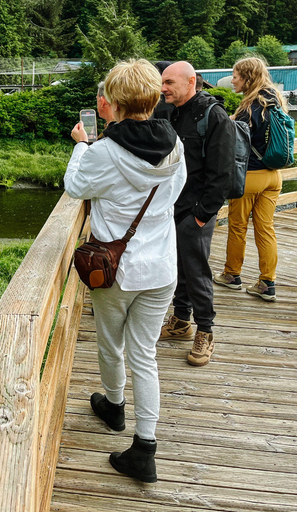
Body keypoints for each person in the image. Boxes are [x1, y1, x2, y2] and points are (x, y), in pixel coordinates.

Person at [65, 59, 187, 483]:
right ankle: (145, 448)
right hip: (162, 268)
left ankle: (114, 408)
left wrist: (81, 145)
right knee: (145, 355)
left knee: (109, 345)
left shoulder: (104, 151)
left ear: (114, 102)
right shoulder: (175, 144)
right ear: (155, 98)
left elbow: (76, 187)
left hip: (116, 271)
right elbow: (175, 192)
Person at [156, 61, 236, 366]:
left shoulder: (213, 116)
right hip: (172, 206)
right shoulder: (171, 111)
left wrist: (202, 215)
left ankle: (205, 331)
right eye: (163, 82)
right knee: (178, 266)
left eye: (170, 83)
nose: (163, 88)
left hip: (197, 210)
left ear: (191, 82)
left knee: (197, 269)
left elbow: (222, 173)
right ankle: (181, 321)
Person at [213, 57, 286, 301]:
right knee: (266, 229)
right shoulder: (275, 101)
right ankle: (267, 283)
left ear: (247, 77)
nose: (232, 80)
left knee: (238, 227)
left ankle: (232, 275)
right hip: (274, 176)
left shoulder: (249, 107)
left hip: (251, 176)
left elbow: (236, 143)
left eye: (235, 75)